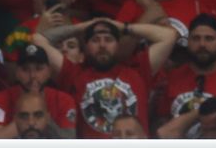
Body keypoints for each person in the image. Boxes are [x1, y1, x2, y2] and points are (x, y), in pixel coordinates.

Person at [33, 17, 177, 139]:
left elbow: (169, 36)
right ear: (86, 46)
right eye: (95, 40)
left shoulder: (137, 71)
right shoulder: (73, 74)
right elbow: (39, 39)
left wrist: (124, 27)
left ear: (117, 45)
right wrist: (82, 27)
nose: (102, 45)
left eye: (108, 39)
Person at [0, 43, 77, 140]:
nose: (32, 75)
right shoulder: (1, 98)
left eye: (39, 69)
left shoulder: (64, 100)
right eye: (25, 69)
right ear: (17, 73)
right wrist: (24, 120)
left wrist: (44, 119)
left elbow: (70, 141)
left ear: (49, 72)